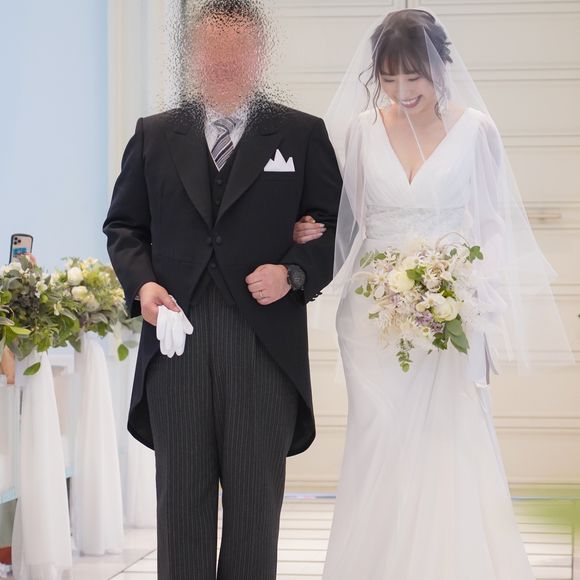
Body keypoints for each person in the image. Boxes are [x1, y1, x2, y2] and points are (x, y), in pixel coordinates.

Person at [293, 9, 572, 579]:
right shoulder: (362, 129)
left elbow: (492, 224)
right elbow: (348, 217)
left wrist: (476, 299)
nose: (402, 90)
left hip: (451, 308)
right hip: (372, 313)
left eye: (414, 76)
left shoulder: (476, 129)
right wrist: (307, 233)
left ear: (441, 66)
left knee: (449, 438)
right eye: (389, 77)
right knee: (380, 438)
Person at [102, 1, 342, 578]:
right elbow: (124, 227)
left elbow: (336, 229)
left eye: (237, 48)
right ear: (193, 55)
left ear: (259, 55)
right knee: (180, 510)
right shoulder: (155, 134)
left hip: (264, 347)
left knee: (255, 509)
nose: (224, 60)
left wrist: (292, 272)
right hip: (177, 344)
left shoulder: (301, 134)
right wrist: (144, 284)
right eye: (212, 47)